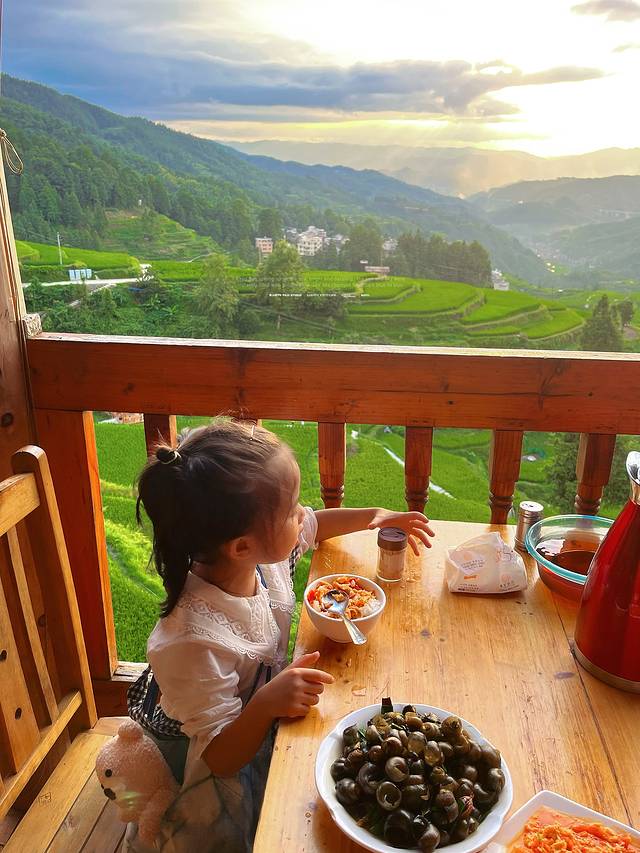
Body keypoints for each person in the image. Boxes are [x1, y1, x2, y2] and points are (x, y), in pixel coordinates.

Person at [125, 419, 434, 852]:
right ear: (241, 546)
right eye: (290, 510)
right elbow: (219, 757)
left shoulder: (258, 559)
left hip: (267, 725)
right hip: (224, 770)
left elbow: (315, 525)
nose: (302, 513)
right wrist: (266, 703)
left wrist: (375, 517)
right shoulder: (190, 641)